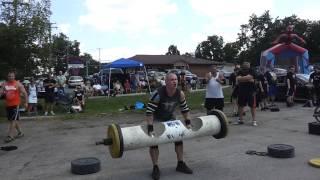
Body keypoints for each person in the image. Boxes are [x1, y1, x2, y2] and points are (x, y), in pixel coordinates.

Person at [145, 73, 193, 180]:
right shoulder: (157, 94)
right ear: (166, 82)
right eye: (171, 80)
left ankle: (180, 164)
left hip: (170, 117)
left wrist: (188, 122)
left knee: (179, 138)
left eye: (176, 79)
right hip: (157, 119)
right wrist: (150, 128)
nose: (174, 81)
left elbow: (184, 109)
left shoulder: (180, 93)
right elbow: (149, 112)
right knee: (154, 142)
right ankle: (155, 167)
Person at [0, 70, 28, 143]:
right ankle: (20, 132)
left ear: (14, 76)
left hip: (16, 105)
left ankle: (10, 135)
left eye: (12, 76)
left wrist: (26, 103)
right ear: (7, 77)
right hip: (8, 105)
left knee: (13, 120)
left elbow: (25, 93)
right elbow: (1, 92)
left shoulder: (18, 84)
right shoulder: (5, 84)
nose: (11, 77)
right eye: (9, 76)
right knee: (12, 120)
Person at [236, 62, 257, 126]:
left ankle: (254, 120)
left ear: (249, 66)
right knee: (240, 105)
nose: (246, 66)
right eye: (245, 65)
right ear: (243, 66)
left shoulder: (252, 70)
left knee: (252, 106)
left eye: (248, 65)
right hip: (242, 91)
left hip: (251, 91)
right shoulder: (240, 71)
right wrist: (248, 79)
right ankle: (241, 120)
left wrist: (243, 79)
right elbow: (238, 79)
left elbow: (248, 78)